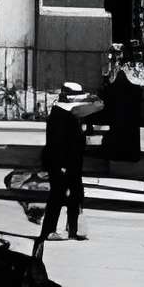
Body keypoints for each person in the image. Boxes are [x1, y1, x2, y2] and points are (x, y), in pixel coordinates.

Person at [38, 81, 97, 246]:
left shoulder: (68, 112)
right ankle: (50, 230)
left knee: (75, 195)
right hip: (62, 162)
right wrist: (62, 164)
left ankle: (73, 229)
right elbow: (58, 142)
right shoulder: (61, 114)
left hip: (71, 162)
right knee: (58, 196)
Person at [102, 47, 143, 167]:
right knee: (129, 134)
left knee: (120, 133)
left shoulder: (117, 73)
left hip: (119, 112)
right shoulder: (131, 73)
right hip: (128, 113)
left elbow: (109, 90)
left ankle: (119, 155)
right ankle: (129, 155)